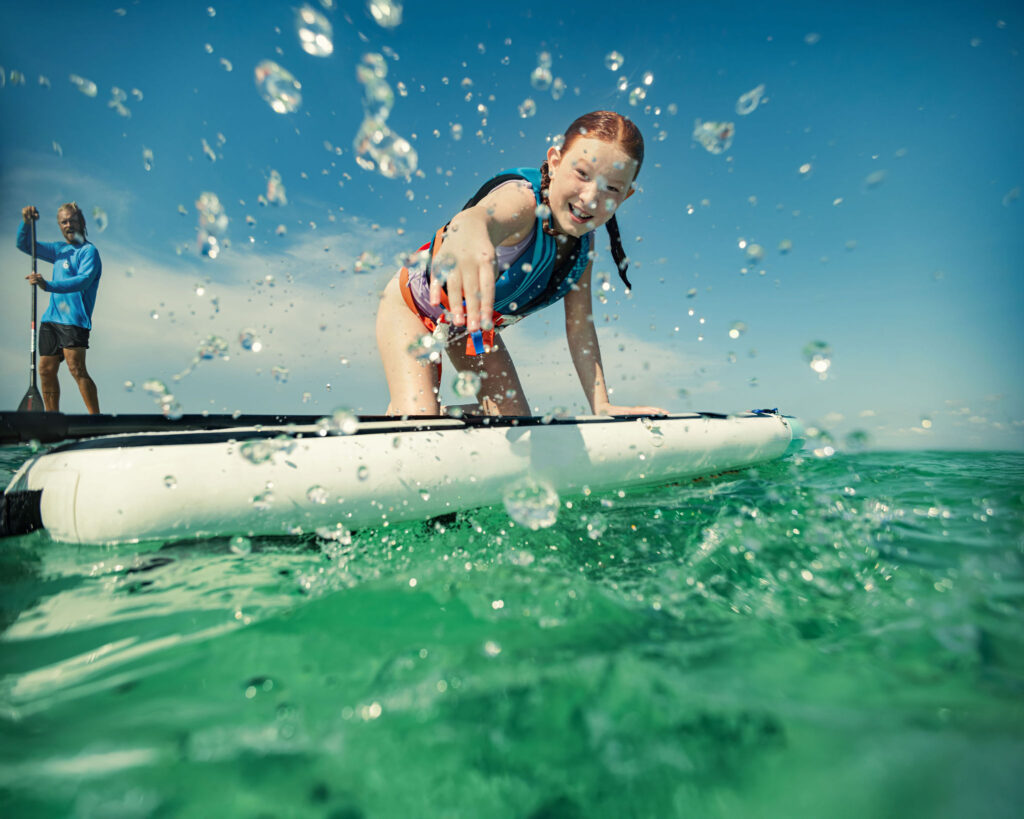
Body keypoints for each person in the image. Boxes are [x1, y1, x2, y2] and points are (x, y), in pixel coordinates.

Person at [376, 110, 668, 418]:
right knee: (421, 424)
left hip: (472, 328)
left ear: (627, 195)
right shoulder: (522, 202)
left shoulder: (584, 245)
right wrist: (469, 226)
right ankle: (415, 412)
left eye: (612, 188)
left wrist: (601, 404)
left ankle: (433, 413)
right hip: (413, 306)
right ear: (555, 162)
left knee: (514, 422)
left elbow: (580, 327)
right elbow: (480, 218)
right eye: (583, 174)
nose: (591, 197)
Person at [18, 203, 102, 413]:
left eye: (72, 220)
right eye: (64, 222)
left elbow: (82, 281)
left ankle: (96, 419)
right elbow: (26, 245)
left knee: (76, 368)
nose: (68, 224)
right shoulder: (58, 250)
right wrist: (26, 223)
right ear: (59, 226)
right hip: (51, 319)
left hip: (74, 320)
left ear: (81, 222)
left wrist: (48, 285)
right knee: (45, 370)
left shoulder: (89, 252)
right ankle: (51, 418)